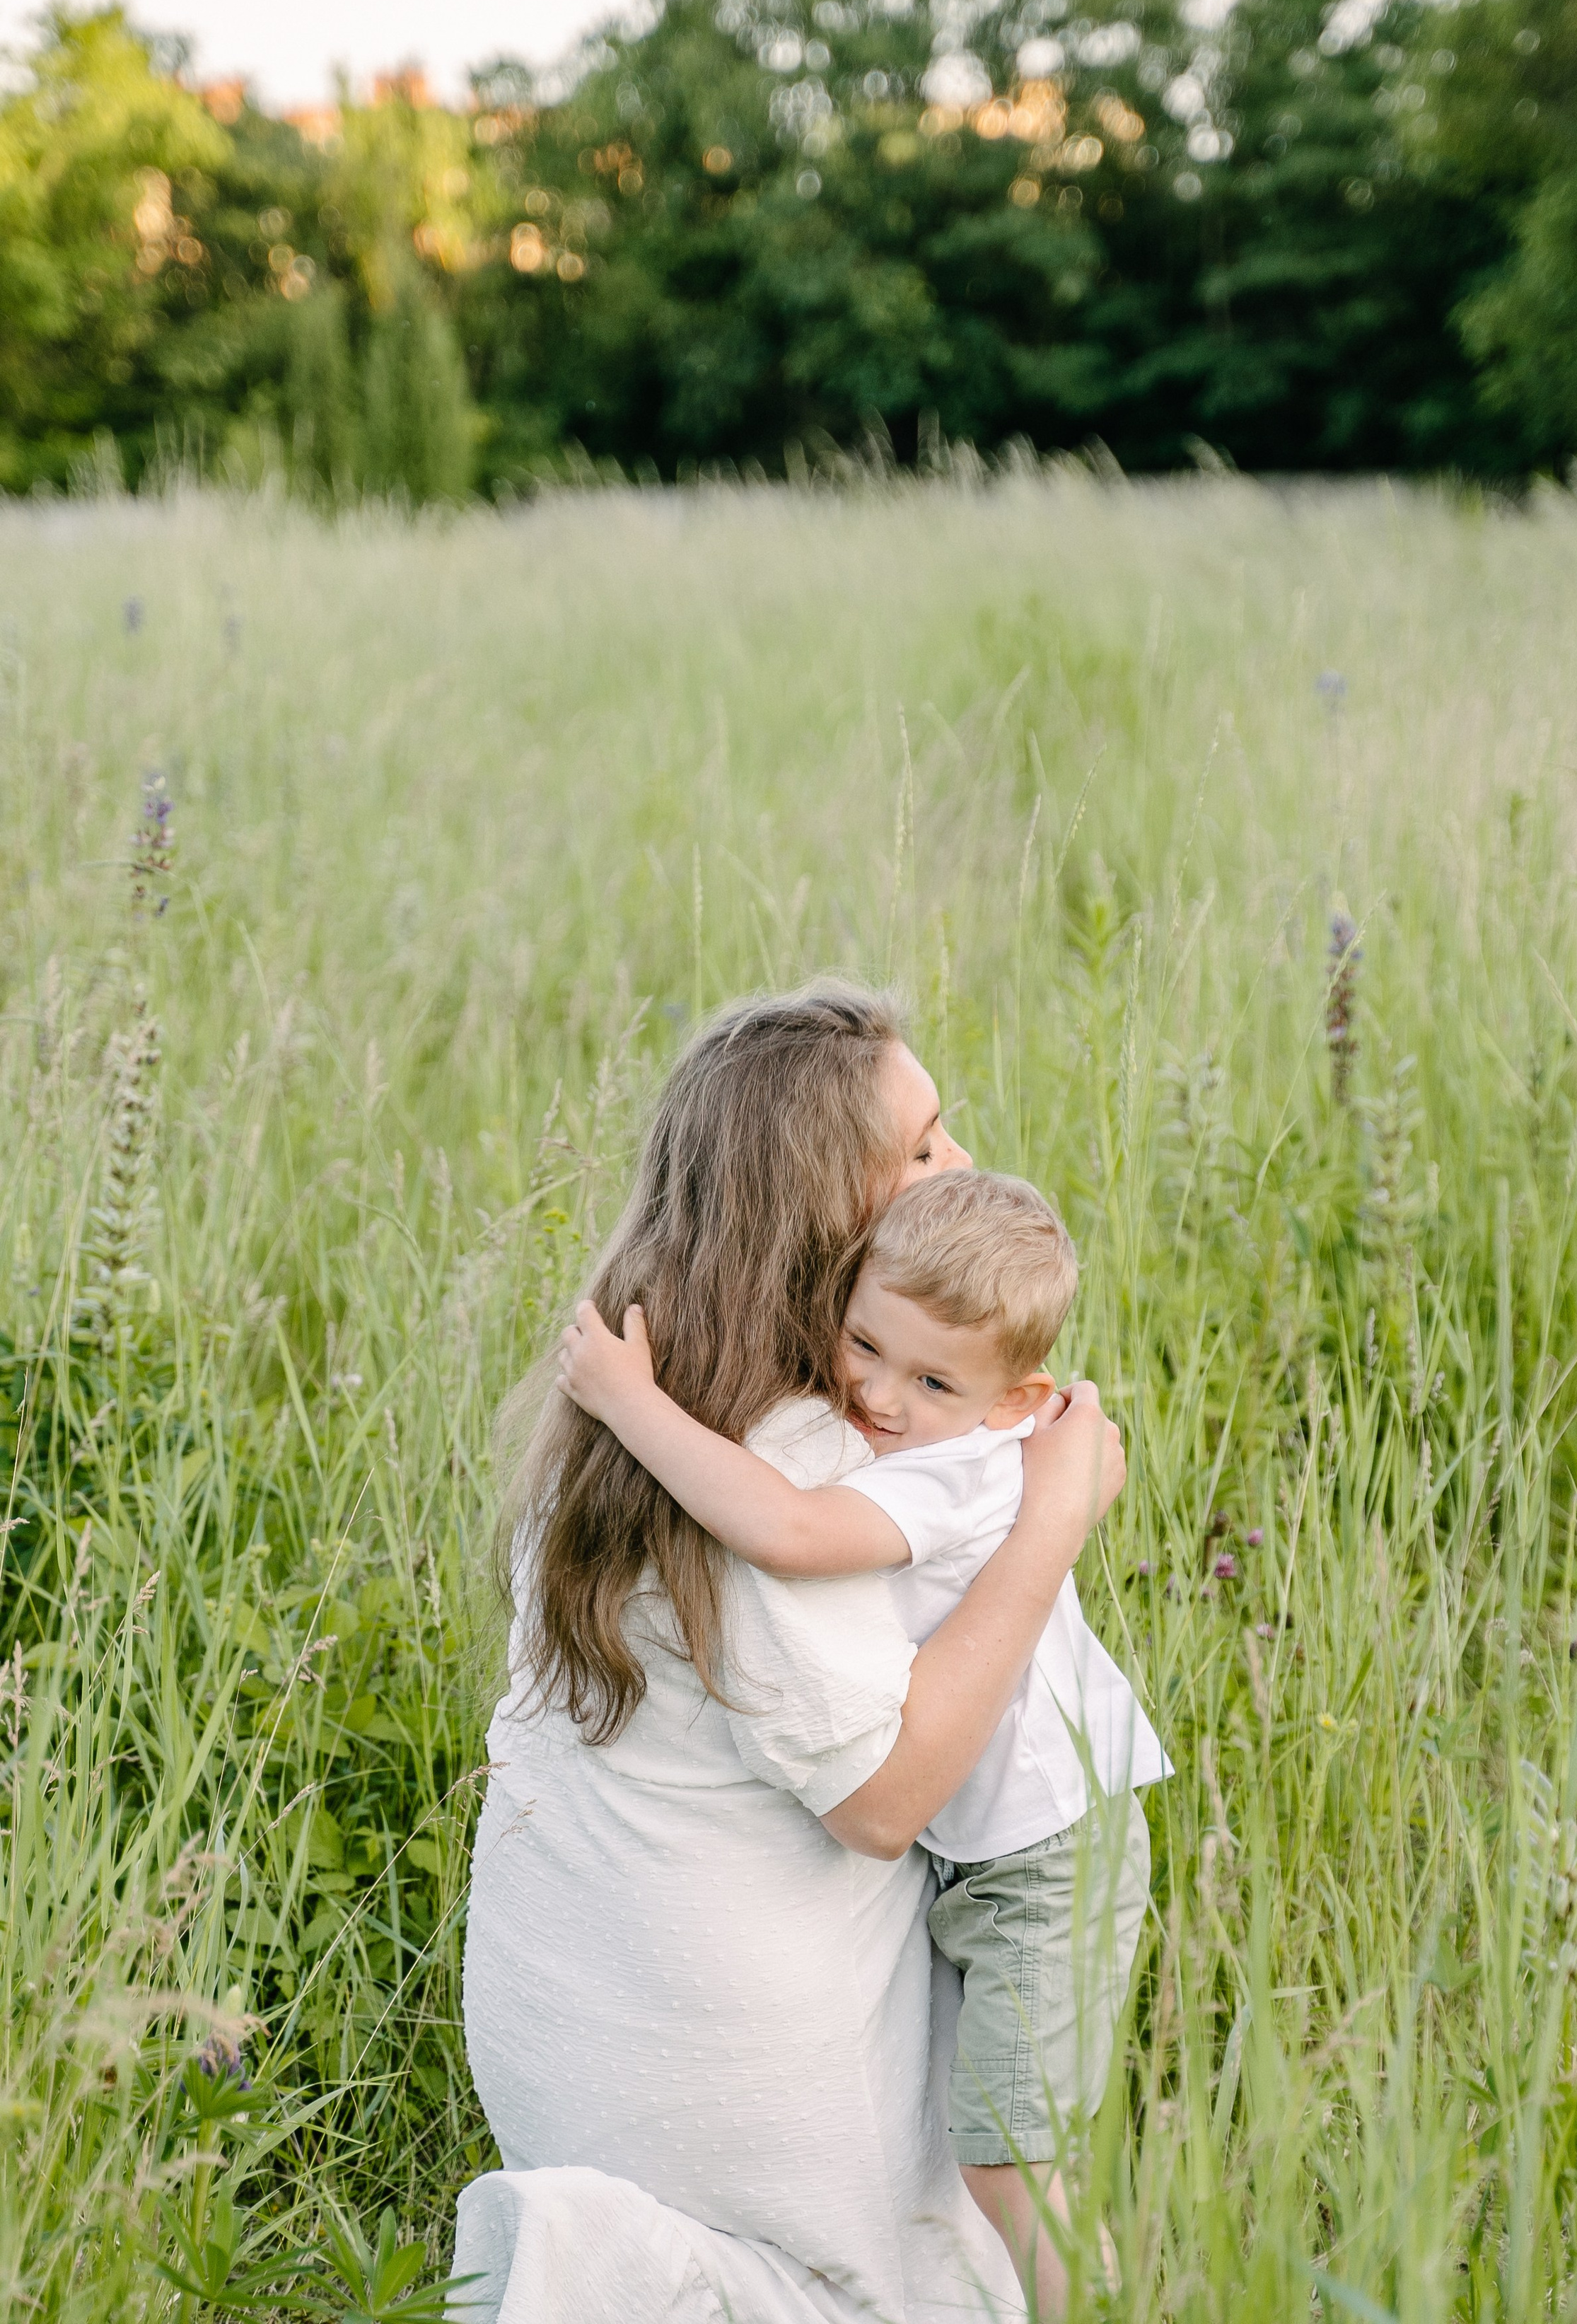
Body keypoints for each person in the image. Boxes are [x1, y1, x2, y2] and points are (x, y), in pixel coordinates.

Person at [455, 982, 1127, 2324]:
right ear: (828, 1218)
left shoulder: (631, 1409)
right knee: (974, 2272)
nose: (967, 1169)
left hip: (564, 2047)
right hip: (711, 2107)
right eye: (925, 1150)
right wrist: (1049, 1522)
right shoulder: (786, 1458)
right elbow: (885, 1804)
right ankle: (642, 2268)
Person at [557, 1167, 1167, 2318]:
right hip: (1005, 1851)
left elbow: (787, 1531)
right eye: (863, 1344)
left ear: (1012, 1402)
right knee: (1004, 2141)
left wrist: (631, 1403)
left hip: (1044, 1863)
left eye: (931, 1379)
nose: (880, 1395)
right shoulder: (952, 1425)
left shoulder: (958, 1472)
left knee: (1012, 2160)